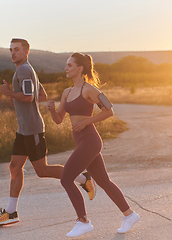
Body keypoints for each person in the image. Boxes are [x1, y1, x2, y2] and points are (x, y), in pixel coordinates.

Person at [0, 39, 96, 226]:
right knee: (15, 168)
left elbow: (29, 97)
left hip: (33, 130)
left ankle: (82, 177)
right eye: (11, 50)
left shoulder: (23, 70)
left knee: (42, 170)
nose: (12, 53)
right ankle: (11, 212)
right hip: (24, 130)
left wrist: (10, 93)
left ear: (26, 51)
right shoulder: (26, 70)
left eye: (17, 50)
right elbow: (41, 96)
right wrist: (17, 98)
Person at [46, 52, 140, 237]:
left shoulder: (90, 90)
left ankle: (83, 221)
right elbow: (58, 120)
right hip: (82, 142)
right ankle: (129, 215)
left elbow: (109, 110)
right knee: (104, 181)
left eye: (69, 65)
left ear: (79, 68)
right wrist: (51, 110)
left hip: (90, 141)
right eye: (66, 65)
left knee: (66, 178)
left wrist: (87, 122)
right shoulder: (67, 92)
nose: (66, 68)